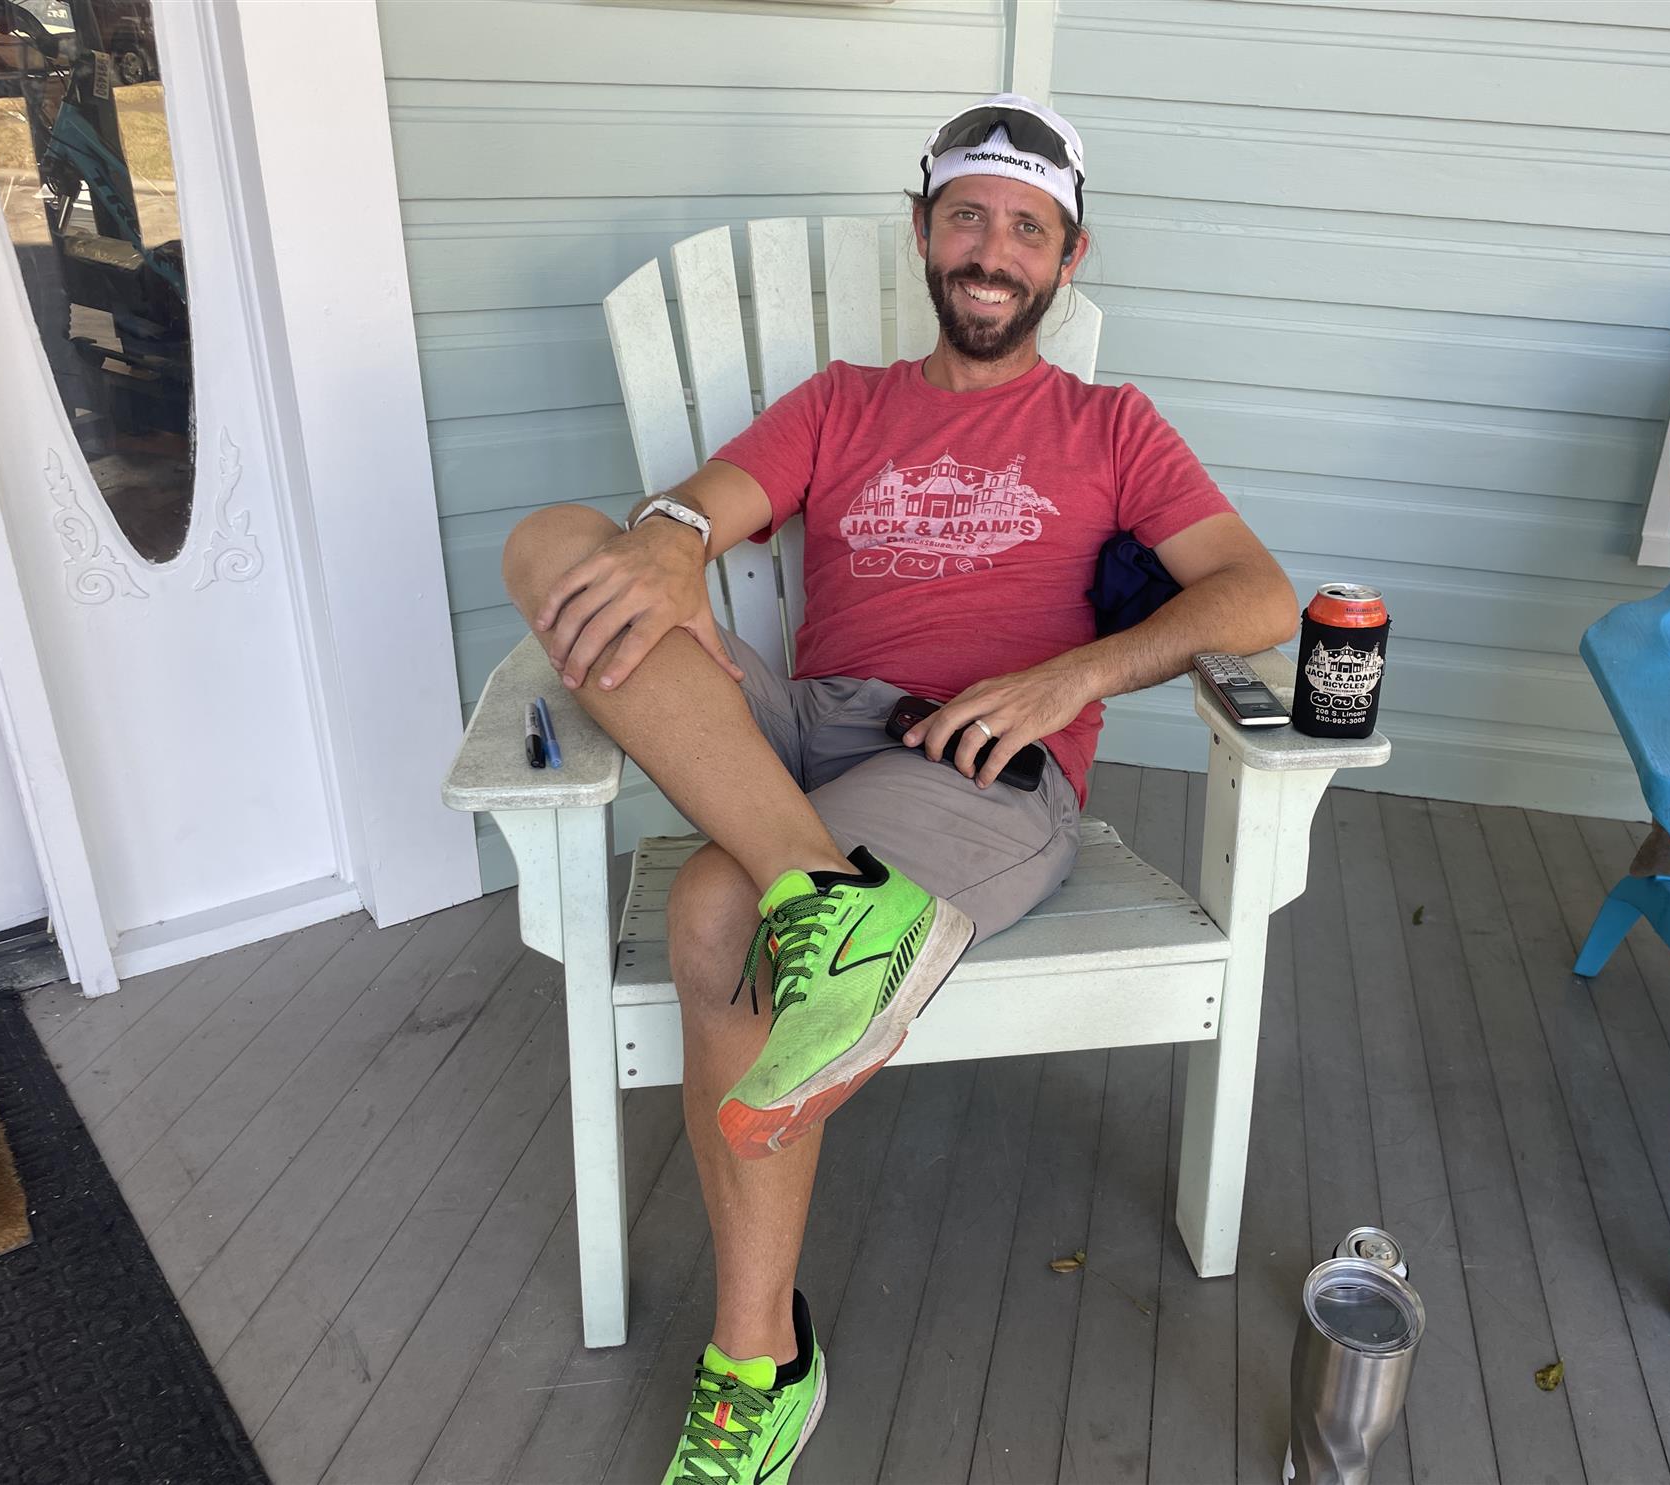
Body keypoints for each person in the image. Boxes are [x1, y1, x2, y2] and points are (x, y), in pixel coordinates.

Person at [500, 93, 1299, 1484]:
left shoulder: (1111, 426)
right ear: (924, 231)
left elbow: (1259, 596)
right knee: (558, 540)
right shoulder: (842, 403)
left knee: (715, 912)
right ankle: (835, 898)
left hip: (974, 763)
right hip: (807, 730)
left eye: (1029, 230)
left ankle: (758, 1366)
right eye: (969, 217)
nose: (994, 251)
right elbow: (691, 515)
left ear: (1069, 258)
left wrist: (1070, 680)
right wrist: (674, 535)